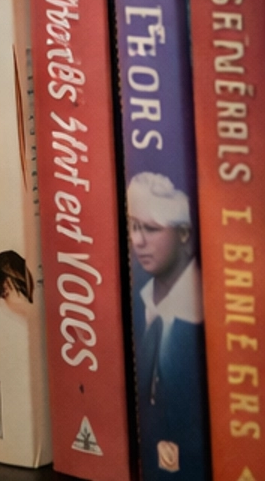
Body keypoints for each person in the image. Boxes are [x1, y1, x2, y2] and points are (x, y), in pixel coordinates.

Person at [127, 172, 207, 480]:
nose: (137, 240)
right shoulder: (138, 301)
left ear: (184, 233)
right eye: (133, 226)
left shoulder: (203, 315)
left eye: (151, 228)